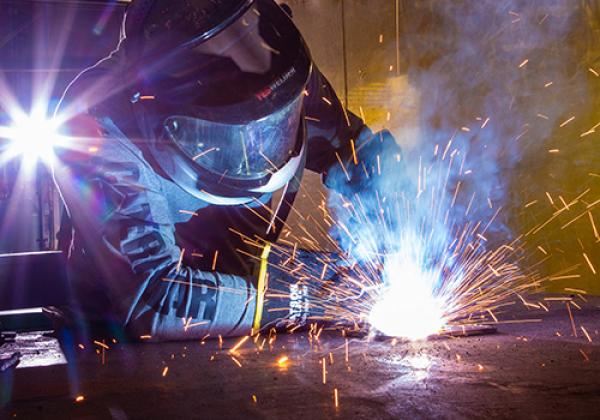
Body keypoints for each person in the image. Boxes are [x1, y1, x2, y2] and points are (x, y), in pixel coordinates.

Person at [53, 0, 404, 341]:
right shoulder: (96, 125)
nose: (256, 154)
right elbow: (154, 299)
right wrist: (312, 293)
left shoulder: (277, 58)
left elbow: (354, 150)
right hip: (118, 342)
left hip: (243, 298)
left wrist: (408, 232)